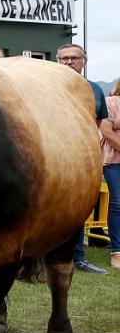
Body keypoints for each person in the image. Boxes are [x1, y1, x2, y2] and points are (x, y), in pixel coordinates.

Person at [57, 43, 110, 275]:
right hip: (53, 155)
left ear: (84, 62)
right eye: (64, 58)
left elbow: (97, 122)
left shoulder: (94, 90)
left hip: (80, 159)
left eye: (74, 58)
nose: (69, 62)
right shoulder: (48, 85)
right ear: (58, 61)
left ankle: (78, 257)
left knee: (79, 208)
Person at [100, 81, 120, 270]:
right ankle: (117, 250)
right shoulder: (111, 102)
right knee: (118, 203)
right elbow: (106, 131)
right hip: (115, 162)